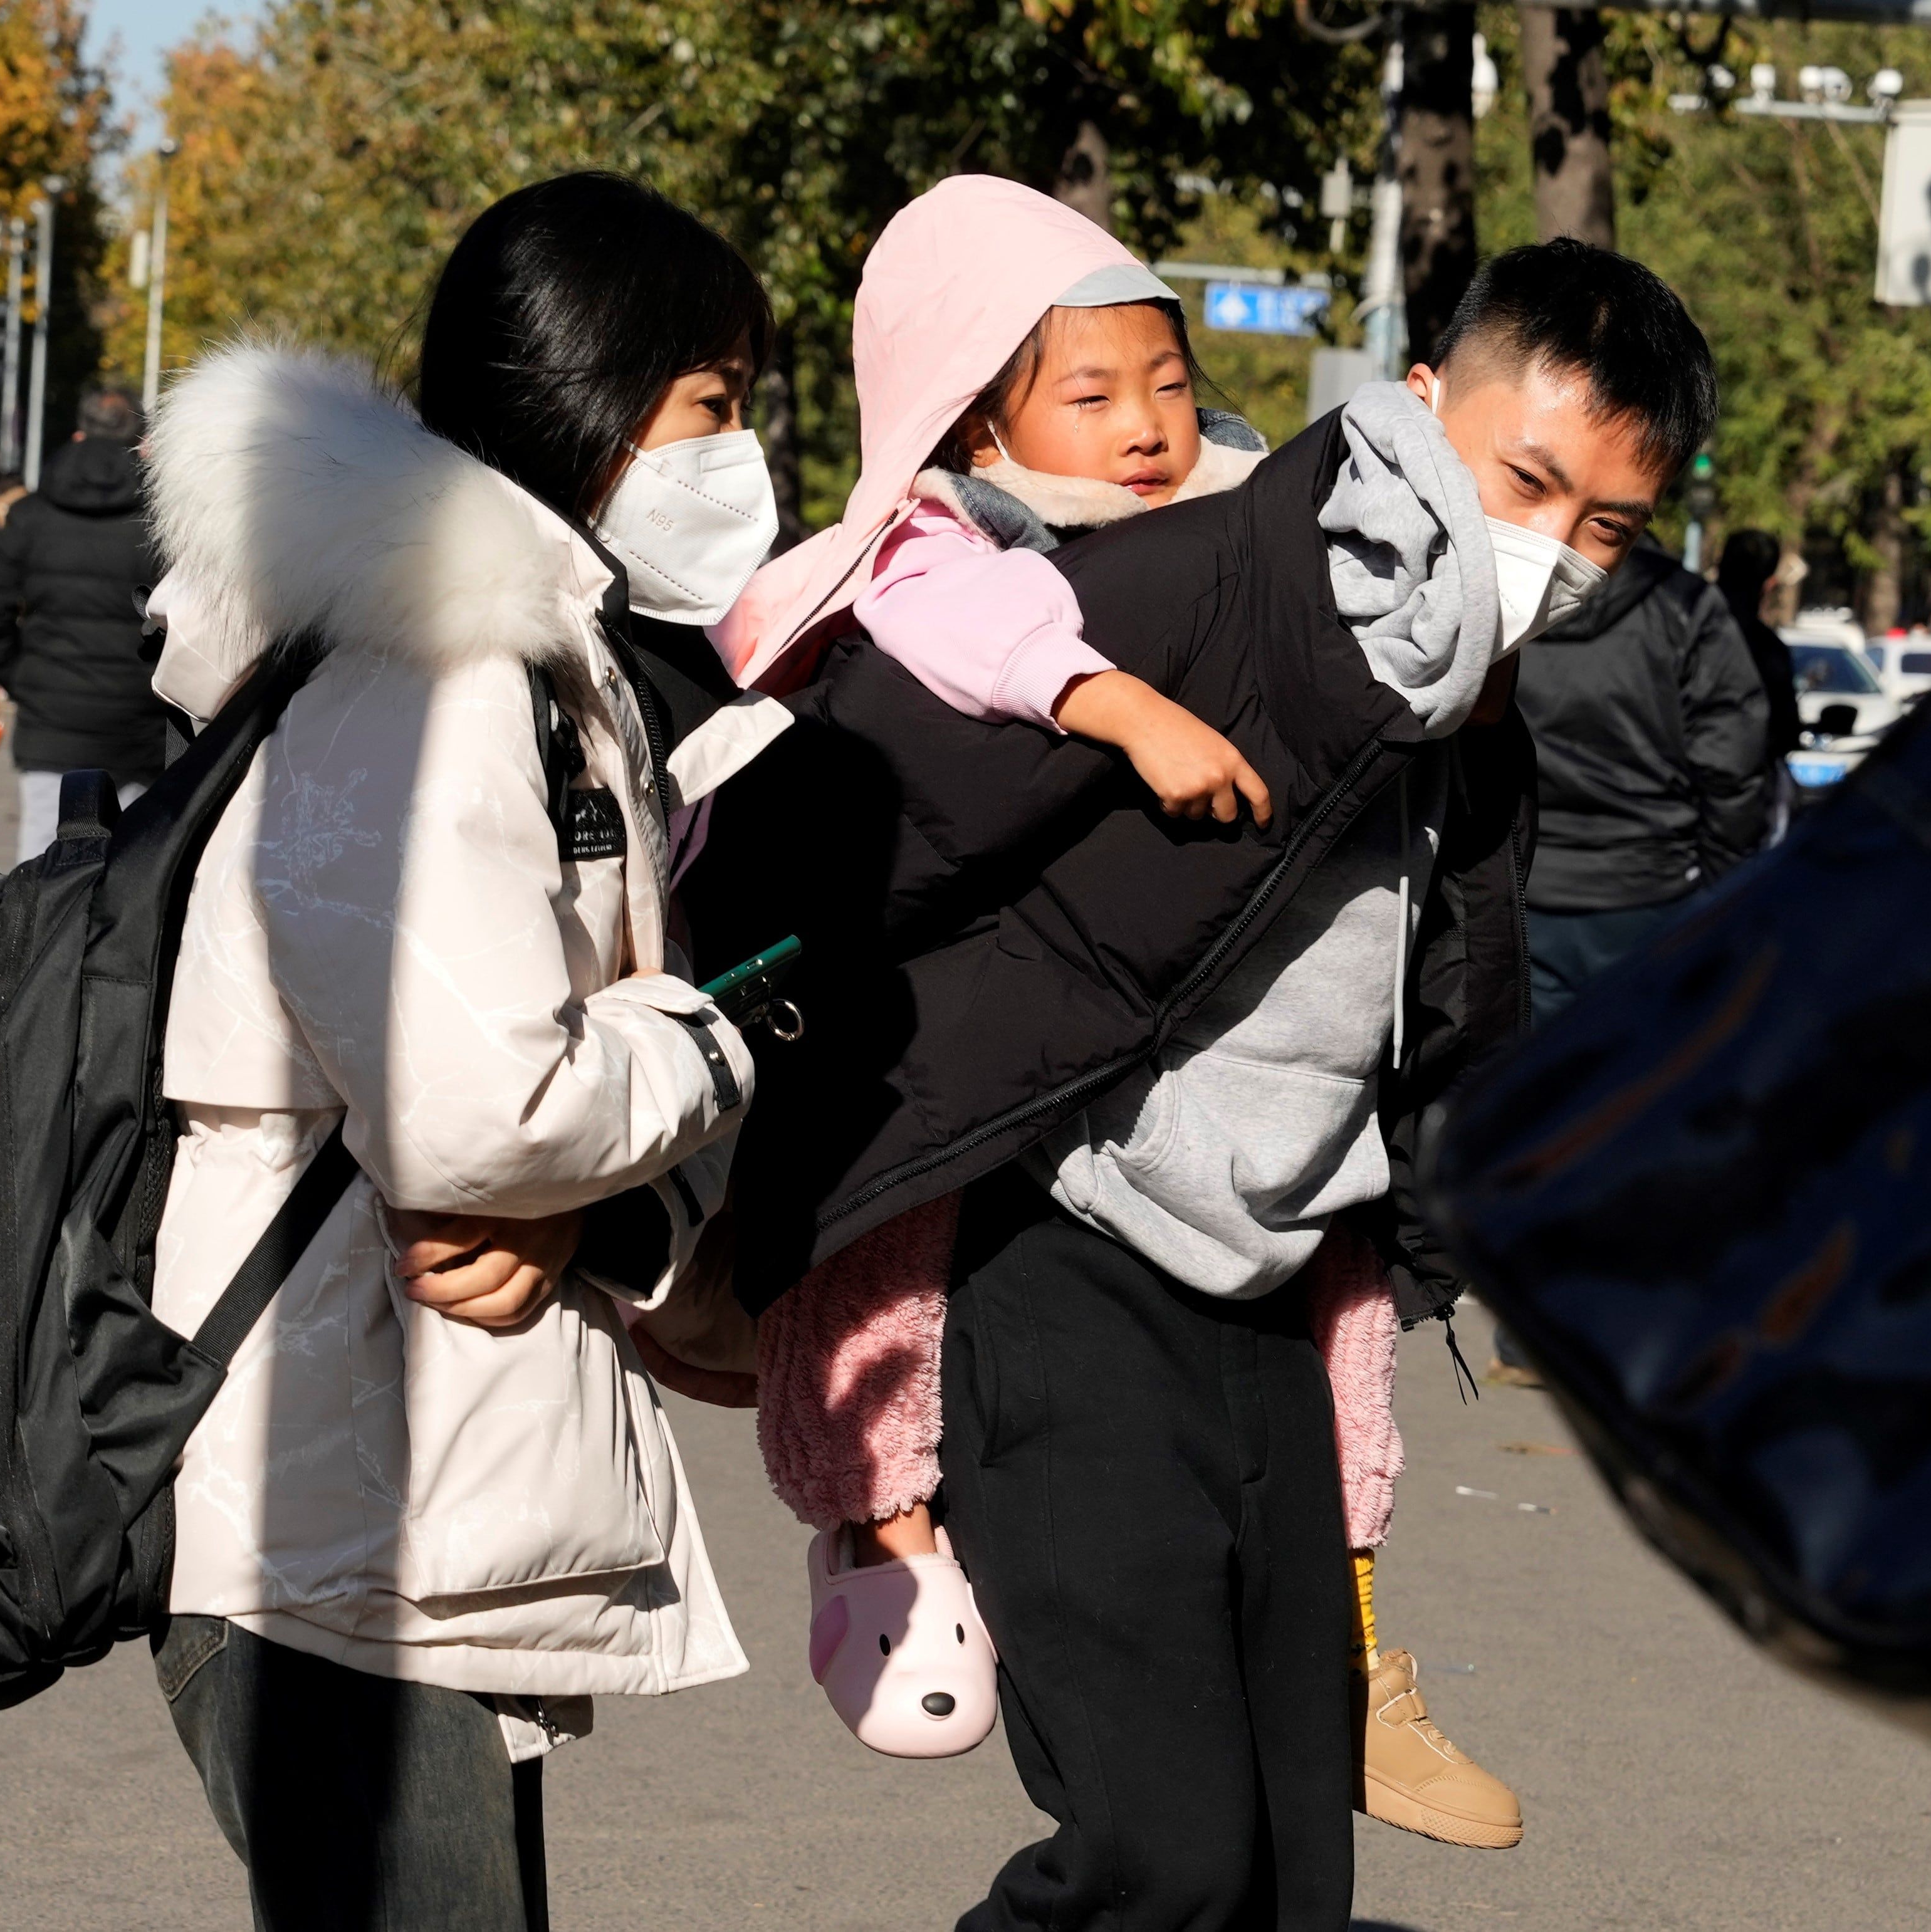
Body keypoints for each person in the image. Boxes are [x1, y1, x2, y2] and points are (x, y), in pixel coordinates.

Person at [705, 232, 1717, 1929]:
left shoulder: (1475, 716)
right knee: (1157, 1859)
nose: (1543, 552)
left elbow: (1451, 1006)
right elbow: (867, 832)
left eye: (1602, 530)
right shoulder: (1201, 572)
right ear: (1417, 410)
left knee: (1280, 1874)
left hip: (1279, 1292)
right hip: (1067, 1252)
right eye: (1521, 483)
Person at [135, 172, 787, 1930]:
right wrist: (700, 1038)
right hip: (332, 1501)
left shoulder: (522, 654)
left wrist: (612, 1184)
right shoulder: (438, 663)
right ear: (591, 391)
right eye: (713, 406)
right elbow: (482, 1111)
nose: (739, 456)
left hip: (399, 1491)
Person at [1515, 456, 1770, 1025]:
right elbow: (1733, 768)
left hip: (1527, 890)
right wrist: (1718, 883)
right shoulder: (1685, 607)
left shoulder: (1510, 596)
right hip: (1653, 890)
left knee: (1531, 1093)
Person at [0, 387, 165, 862]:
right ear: (143, 443)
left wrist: (20, 678)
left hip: (51, 721)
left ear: (78, 434)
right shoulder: (162, 525)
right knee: (128, 867)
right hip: (137, 721)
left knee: (42, 863)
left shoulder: (31, 516)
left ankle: (36, 939)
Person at [1717, 527, 1801, 818]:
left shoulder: (1670, 634)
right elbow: (1788, 730)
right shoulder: (1768, 650)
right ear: (1769, 584)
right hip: (1746, 804)